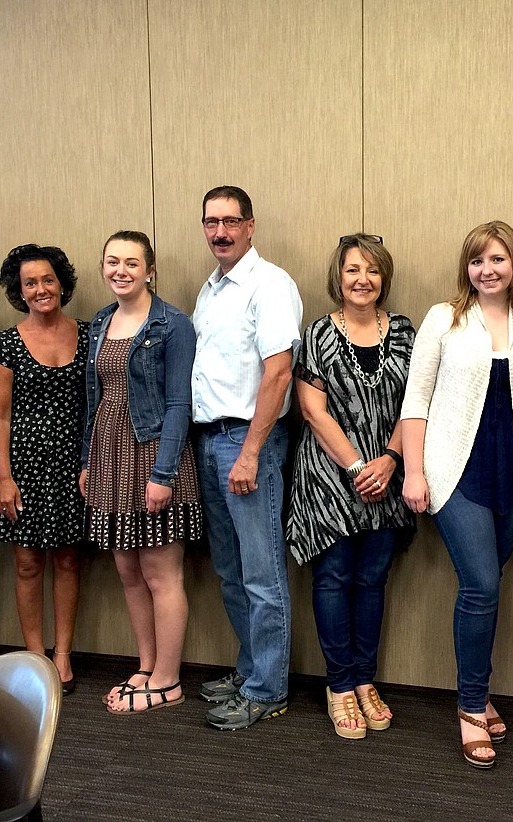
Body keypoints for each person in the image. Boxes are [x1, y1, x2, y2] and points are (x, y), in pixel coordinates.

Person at [400, 221, 513, 768]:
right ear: (466, 268)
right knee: (481, 586)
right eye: (477, 261)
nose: (487, 270)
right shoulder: (445, 318)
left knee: (491, 583)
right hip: (452, 473)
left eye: (498, 260)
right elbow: (415, 402)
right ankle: (469, 707)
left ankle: (479, 692)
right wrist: (413, 473)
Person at [287, 233, 415, 739]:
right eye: (352, 270)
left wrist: (388, 459)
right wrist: (360, 466)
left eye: (372, 270)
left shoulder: (404, 331)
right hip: (330, 478)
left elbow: (416, 403)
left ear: (384, 276)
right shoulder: (318, 332)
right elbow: (312, 412)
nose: (363, 280)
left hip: (390, 471)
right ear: (338, 277)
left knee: (372, 580)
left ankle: (365, 679)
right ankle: (339, 685)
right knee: (334, 578)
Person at [192, 186, 303, 730]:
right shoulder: (210, 290)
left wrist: (251, 452)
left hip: (247, 443)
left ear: (251, 225)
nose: (221, 232)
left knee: (262, 574)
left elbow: (278, 372)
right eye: (212, 222)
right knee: (230, 571)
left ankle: (268, 690)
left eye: (231, 221)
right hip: (210, 440)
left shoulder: (270, 284)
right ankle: (250, 668)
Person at [82, 230, 201, 716]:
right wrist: (88, 462)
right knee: (128, 570)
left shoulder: (173, 324)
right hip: (109, 455)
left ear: (150, 269)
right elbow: (94, 398)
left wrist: (164, 473)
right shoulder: (100, 321)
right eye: (113, 261)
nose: (121, 271)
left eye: (132, 262)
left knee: (160, 573)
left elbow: (179, 403)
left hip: (154, 454)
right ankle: (146, 665)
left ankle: (169, 679)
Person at [0, 244, 88, 695]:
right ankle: (33, 655)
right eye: (30, 283)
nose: (41, 289)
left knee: (68, 559)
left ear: (61, 283)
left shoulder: (88, 334)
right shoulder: (6, 344)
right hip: (22, 466)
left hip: (74, 464)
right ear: (19, 291)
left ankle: (62, 654)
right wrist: (3, 478)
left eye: (48, 280)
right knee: (28, 564)